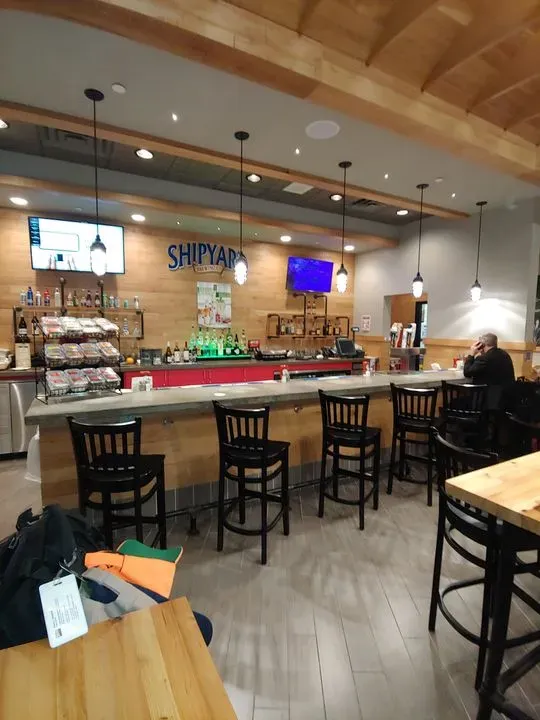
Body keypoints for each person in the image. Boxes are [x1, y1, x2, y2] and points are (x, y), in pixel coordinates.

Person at [464, 332, 515, 410]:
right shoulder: (505, 355)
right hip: (506, 400)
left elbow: (467, 372)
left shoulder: (484, 358)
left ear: (482, 345)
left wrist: (471, 355)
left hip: (486, 402)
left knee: (459, 402)